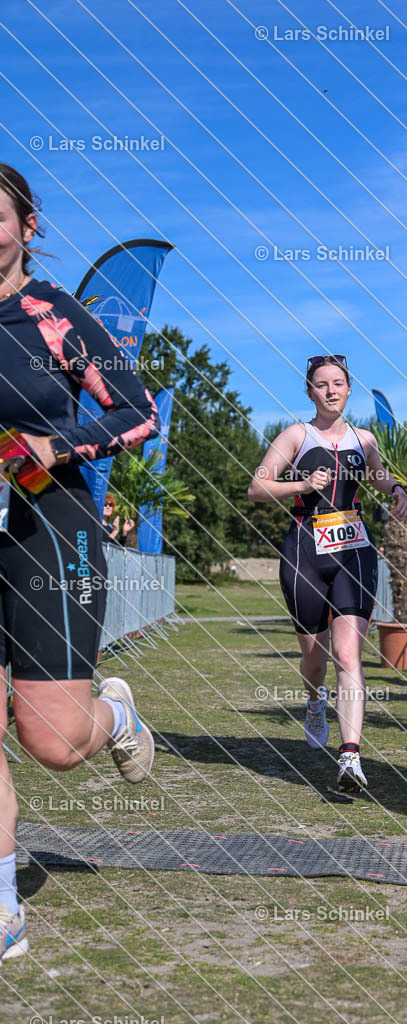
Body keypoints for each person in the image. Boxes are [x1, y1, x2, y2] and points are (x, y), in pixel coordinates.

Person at [0, 164, 159, 961]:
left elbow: (138, 412)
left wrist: (56, 445)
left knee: (52, 743)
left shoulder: (54, 316)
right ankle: (2, 908)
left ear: (28, 227)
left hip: (47, 528)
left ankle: (116, 714)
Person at [248, 355, 407, 793]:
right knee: (315, 659)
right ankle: (314, 701)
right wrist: (302, 485)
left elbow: (378, 477)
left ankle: (350, 757)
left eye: (339, 383)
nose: (331, 390)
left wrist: (395, 490)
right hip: (304, 550)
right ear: (309, 392)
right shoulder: (296, 435)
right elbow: (257, 486)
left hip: (355, 550)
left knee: (348, 654)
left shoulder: (365, 438)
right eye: (322, 384)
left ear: (349, 388)